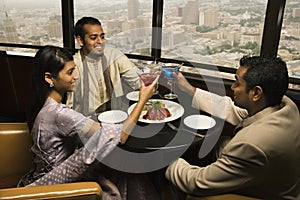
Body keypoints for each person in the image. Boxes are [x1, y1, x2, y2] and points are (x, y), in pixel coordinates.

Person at [18, 45, 158, 200]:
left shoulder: (43, 104)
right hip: (55, 188)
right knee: (129, 173)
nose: (76, 76)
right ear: (49, 78)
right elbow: (119, 136)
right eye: (70, 72)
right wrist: (142, 100)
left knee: (124, 167)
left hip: (41, 175)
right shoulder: (59, 114)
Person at [165, 55, 300, 199]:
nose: (232, 87)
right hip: (279, 181)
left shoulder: (252, 145)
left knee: (193, 195)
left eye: (237, 83)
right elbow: (234, 111)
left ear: (256, 93)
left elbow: (197, 182)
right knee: (221, 142)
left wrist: (167, 159)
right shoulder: (285, 106)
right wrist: (189, 89)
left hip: (266, 195)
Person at [66, 16, 140, 117]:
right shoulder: (73, 64)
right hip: (86, 123)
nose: (100, 41)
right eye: (93, 38)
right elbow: (67, 106)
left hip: (118, 117)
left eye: (102, 36)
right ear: (80, 41)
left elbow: (139, 81)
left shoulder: (114, 55)